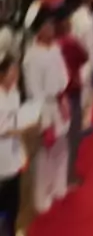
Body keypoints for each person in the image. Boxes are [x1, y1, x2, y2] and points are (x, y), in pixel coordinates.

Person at [23, 6, 70, 214]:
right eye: (47, 26)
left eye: (52, 24)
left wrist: (63, 97)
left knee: (62, 147)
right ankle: (41, 197)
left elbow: (63, 74)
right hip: (44, 107)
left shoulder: (55, 48)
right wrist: (44, 120)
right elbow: (34, 92)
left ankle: (59, 186)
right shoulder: (31, 57)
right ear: (39, 30)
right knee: (44, 153)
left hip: (58, 102)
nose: (51, 29)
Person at [0, 54, 40, 236]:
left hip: (14, 153)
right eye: (11, 72)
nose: (16, 75)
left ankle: (12, 228)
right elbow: (3, 130)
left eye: (16, 71)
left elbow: (17, 118)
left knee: (14, 199)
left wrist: (22, 148)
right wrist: (24, 129)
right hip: (2, 157)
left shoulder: (14, 92)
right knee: (4, 199)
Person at [55, 6, 89, 188]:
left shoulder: (51, 44)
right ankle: (69, 177)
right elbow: (84, 57)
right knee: (73, 135)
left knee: (59, 138)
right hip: (71, 92)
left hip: (56, 96)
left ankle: (59, 178)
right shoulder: (69, 43)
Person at [71, 0, 93, 129]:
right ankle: (84, 124)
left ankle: (78, 122)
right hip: (86, 62)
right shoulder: (88, 21)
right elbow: (91, 46)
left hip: (74, 62)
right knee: (88, 94)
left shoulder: (73, 17)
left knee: (79, 94)